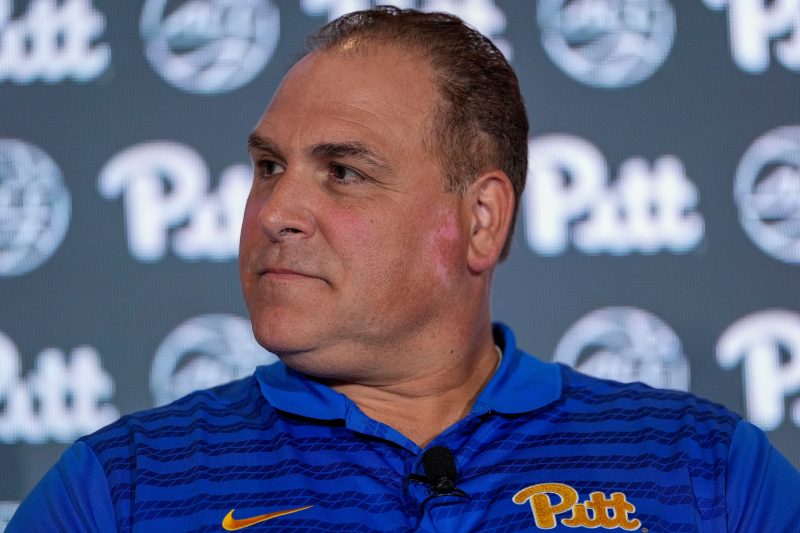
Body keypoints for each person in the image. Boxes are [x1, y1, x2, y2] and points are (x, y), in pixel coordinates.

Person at [9, 7, 799, 532]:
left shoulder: (706, 472)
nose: (277, 211)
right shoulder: (121, 489)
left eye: (343, 171)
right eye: (269, 166)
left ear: (480, 219)